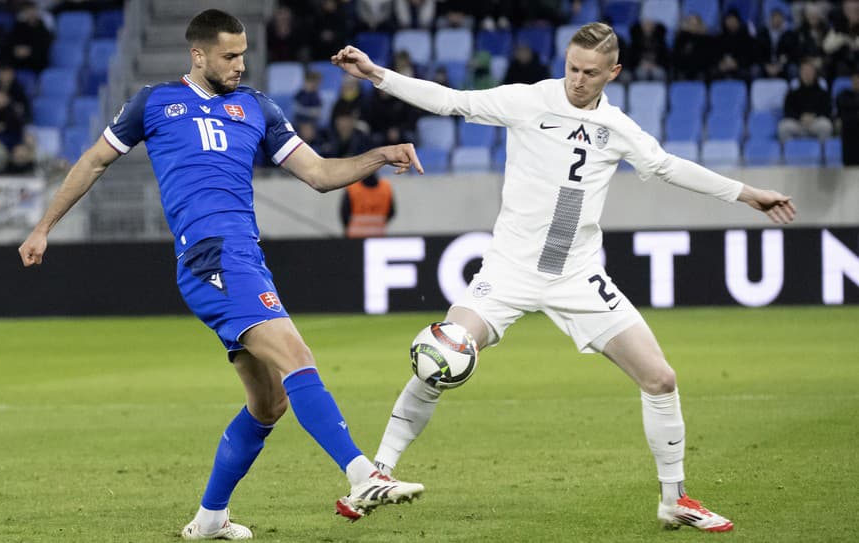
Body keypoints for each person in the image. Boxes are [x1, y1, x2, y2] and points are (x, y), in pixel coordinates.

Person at [333, 21, 797, 533]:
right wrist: (377, 74)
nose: (578, 80)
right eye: (572, 68)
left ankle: (675, 500)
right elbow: (451, 101)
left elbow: (668, 166)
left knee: (660, 378)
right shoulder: (529, 101)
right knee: (442, 355)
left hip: (576, 275)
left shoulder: (618, 127)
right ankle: (377, 473)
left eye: (590, 73)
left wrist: (747, 193)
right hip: (508, 270)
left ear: (612, 73)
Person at [18, 9, 425, 540]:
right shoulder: (154, 102)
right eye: (230, 56)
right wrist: (43, 227)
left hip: (245, 257)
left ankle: (210, 519)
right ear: (199, 55)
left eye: (243, 54)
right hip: (211, 259)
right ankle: (361, 473)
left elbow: (321, 174)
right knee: (297, 357)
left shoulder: (256, 107)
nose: (240, 64)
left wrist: (379, 154)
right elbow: (94, 161)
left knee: (270, 401)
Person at [777, 58, 833, 141]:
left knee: (826, 125)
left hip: (815, 123)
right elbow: (788, 111)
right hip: (798, 123)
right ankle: (790, 152)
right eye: (804, 71)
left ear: (814, 73)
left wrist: (814, 116)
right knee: (783, 127)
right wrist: (800, 117)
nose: (807, 73)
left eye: (810, 71)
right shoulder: (792, 93)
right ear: (800, 73)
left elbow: (827, 110)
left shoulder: (823, 93)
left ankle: (821, 152)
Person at [341, 172, 395, 237]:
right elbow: (391, 212)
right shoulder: (386, 187)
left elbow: (344, 213)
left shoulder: (352, 188)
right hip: (377, 236)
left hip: (355, 237)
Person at [836, 68, 859, 166]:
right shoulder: (844, 94)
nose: (857, 81)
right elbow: (841, 109)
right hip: (850, 127)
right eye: (855, 79)